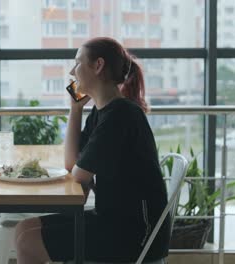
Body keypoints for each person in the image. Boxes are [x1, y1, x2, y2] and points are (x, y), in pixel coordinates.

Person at [14, 37, 170, 264]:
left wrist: (80, 169)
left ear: (98, 66)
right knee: (23, 230)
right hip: (113, 220)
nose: (71, 71)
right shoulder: (102, 112)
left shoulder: (121, 115)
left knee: (29, 241)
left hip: (135, 234)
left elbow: (79, 174)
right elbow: (71, 163)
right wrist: (75, 109)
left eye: (77, 63)